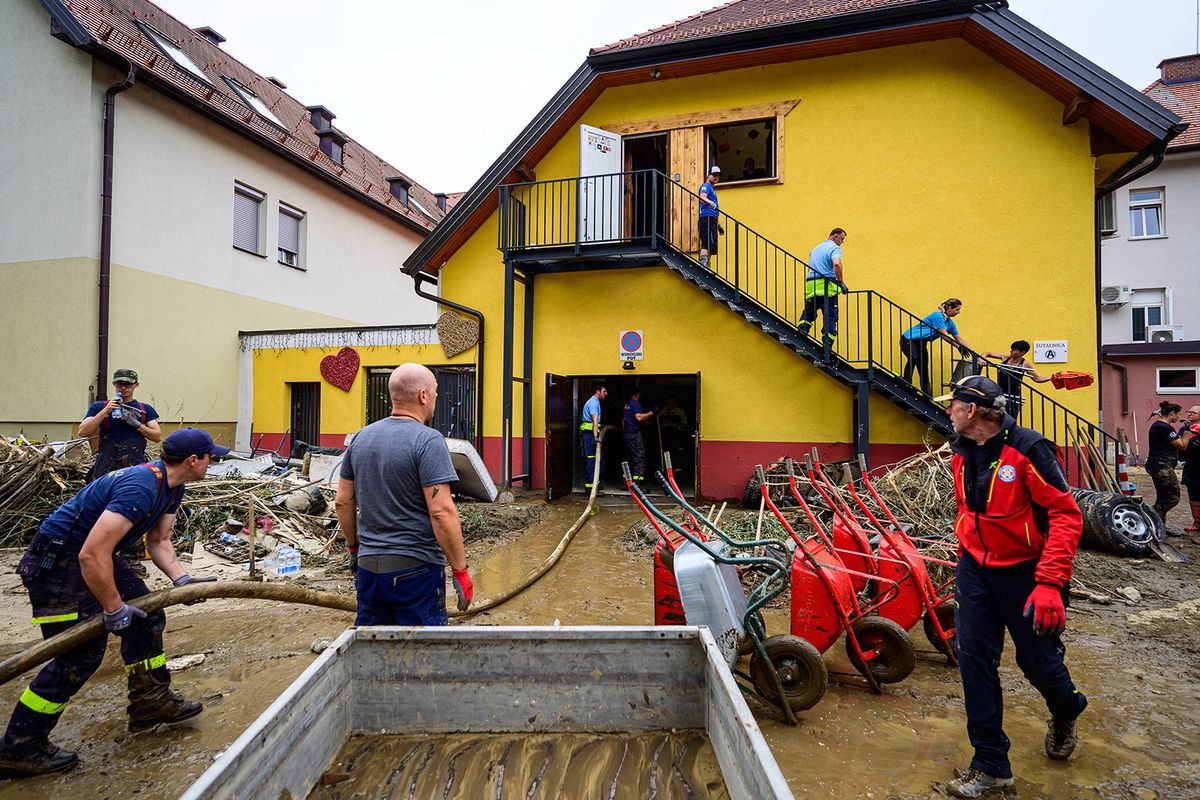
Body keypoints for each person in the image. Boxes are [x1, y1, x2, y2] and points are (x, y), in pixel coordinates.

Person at [0, 428, 225, 778]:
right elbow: (91, 554)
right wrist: (113, 606)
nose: (214, 462)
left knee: (147, 618)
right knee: (78, 655)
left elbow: (160, 540)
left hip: (96, 555)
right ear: (193, 460)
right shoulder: (140, 487)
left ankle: (150, 701)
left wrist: (183, 581)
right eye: (211, 457)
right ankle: (20, 746)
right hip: (60, 560)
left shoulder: (172, 487)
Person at [935, 376, 1087, 798]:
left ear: (971, 411)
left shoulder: (1028, 450)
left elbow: (1065, 515)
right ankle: (991, 765)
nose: (948, 411)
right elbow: (968, 507)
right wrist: (968, 546)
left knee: (1038, 663)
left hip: (1028, 575)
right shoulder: (962, 450)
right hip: (976, 571)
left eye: (953, 404)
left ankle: (1067, 708)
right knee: (974, 660)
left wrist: (1051, 583)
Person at [335, 364, 473, 626]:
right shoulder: (428, 441)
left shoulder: (361, 439)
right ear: (423, 395)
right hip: (415, 571)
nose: (435, 397)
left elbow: (343, 501)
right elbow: (441, 512)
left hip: (369, 570)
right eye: (435, 391)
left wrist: (354, 548)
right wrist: (460, 571)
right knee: (421, 654)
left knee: (373, 650)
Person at [79, 368, 163, 481]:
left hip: (135, 467)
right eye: (119, 384)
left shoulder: (144, 409)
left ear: (136, 385)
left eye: (127, 384)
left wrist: (136, 424)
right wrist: (106, 411)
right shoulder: (99, 407)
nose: (123, 388)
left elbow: (157, 437)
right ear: (114, 384)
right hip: (105, 467)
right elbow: (83, 432)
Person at [900, 298, 973, 397]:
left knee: (923, 368)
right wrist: (958, 347)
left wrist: (972, 352)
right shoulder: (938, 316)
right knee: (914, 357)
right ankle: (906, 382)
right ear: (950, 308)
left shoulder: (949, 323)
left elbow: (959, 338)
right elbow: (943, 335)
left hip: (921, 342)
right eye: (957, 309)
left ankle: (927, 396)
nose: (958, 312)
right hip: (909, 339)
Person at [1144, 401, 1193, 530]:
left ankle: (1159, 527)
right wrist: (1187, 431)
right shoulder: (1165, 427)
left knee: (1163, 496)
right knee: (1172, 497)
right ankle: (1151, 516)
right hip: (1162, 466)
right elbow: (1182, 445)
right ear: (1172, 413)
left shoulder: (1158, 426)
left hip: (1157, 464)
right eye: (1179, 414)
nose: (1179, 417)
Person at [798, 228, 847, 347]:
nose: (842, 242)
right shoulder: (834, 248)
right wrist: (840, 282)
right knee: (830, 317)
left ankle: (801, 331)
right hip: (827, 287)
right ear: (835, 237)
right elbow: (836, 263)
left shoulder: (815, 248)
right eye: (842, 239)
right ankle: (827, 345)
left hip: (811, 285)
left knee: (809, 312)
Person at [981, 340, 1052, 421]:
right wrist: (982, 359)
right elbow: (987, 353)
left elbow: (1037, 378)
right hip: (1000, 394)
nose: (1011, 351)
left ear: (1022, 352)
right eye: (1011, 349)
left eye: (1014, 350)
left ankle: (1008, 433)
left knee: (1010, 420)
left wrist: (1051, 377)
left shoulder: (1025, 364)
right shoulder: (1005, 358)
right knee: (996, 417)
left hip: (1014, 397)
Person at [622, 390, 655, 483]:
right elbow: (639, 417)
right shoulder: (636, 404)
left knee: (629, 458)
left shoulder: (626, 405)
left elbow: (624, 420)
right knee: (640, 458)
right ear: (637, 394)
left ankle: (626, 482)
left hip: (627, 434)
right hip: (634, 434)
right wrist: (652, 412)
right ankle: (638, 483)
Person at [581, 384, 608, 491]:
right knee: (592, 460)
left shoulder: (595, 402)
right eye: (604, 391)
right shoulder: (593, 403)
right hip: (590, 434)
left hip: (592, 433)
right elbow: (595, 420)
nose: (606, 393)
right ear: (598, 391)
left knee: (599, 459)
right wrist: (596, 436)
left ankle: (595, 483)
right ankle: (590, 487)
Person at [697, 167, 723, 270]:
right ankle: (703, 267)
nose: (716, 177)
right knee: (706, 244)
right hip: (706, 218)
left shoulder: (711, 189)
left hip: (712, 219)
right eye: (714, 175)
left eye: (718, 176)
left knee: (711, 247)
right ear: (708, 175)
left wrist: (718, 225)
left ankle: (707, 267)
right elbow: (702, 198)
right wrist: (710, 202)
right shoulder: (706, 186)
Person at [1181, 405, 1200, 532]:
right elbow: (1180, 446)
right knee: (1193, 495)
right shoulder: (1184, 429)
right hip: (1192, 465)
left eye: (1194, 412)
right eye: (1189, 411)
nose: (1190, 414)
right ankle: (1197, 522)